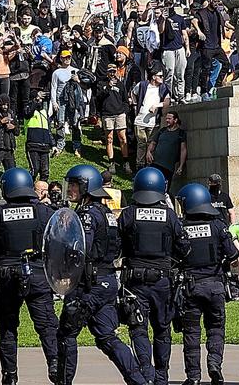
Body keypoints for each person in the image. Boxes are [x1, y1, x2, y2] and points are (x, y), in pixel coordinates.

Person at [57, 164, 148, 385]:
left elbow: (81, 249)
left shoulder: (87, 215)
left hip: (88, 284)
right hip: (106, 282)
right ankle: (139, 381)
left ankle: (63, 382)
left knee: (66, 334)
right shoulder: (106, 213)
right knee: (107, 337)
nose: (71, 190)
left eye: (75, 185)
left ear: (87, 187)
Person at [0, 168, 59, 385]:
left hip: (7, 275)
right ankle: (54, 363)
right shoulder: (44, 211)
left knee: (7, 326)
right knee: (47, 325)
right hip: (38, 274)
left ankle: (10, 374)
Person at [117, 166, 190, 385]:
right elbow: (184, 247)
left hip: (135, 282)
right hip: (163, 281)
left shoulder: (128, 213)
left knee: (138, 329)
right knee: (162, 330)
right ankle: (162, 376)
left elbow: (117, 246)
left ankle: (146, 374)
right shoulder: (169, 215)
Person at [175, 182, 239, 385]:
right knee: (216, 328)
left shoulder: (181, 228)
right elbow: (233, 253)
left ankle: (193, 376)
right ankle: (215, 365)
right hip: (215, 286)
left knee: (191, 333)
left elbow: (173, 256)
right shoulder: (218, 226)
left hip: (190, 287)